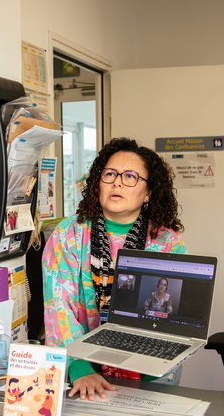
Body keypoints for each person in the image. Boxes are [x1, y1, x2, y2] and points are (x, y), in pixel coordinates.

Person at [42, 137, 186, 401]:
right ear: (98, 182)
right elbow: (58, 306)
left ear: (149, 192)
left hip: (153, 370)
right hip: (84, 369)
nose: (117, 182)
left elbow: (171, 315)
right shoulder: (68, 235)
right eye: (110, 174)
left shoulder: (167, 242)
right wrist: (79, 367)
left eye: (130, 176)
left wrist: (150, 368)